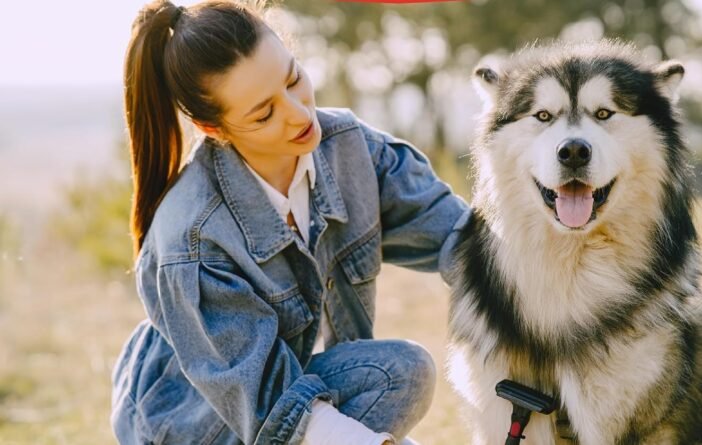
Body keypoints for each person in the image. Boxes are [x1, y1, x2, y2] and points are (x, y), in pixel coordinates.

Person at [110, 1, 470, 444]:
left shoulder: (350, 150)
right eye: (264, 114)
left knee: (399, 373)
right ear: (214, 128)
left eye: (294, 79)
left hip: (282, 397)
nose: (300, 115)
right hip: (193, 422)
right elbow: (268, 409)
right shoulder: (193, 238)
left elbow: (465, 240)